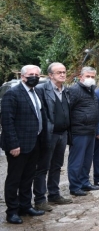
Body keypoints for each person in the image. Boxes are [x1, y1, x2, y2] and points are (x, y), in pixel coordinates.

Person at [1, 65, 47, 224]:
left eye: (37, 74)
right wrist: (13, 145)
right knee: (15, 179)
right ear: (22, 76)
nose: (34, 77)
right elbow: (7, 122)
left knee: (28, 177)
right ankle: (12, 211)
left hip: (34, 143)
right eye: (31, 74)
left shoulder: (36, 92)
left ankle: (25, 206)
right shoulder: (12, 94)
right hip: (18, 146)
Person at [33, 62, 72, 212]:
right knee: (42, 167)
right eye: (58, 72)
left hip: (62, 133)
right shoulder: (42, 90)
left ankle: (54, 194)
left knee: (57, 166)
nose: (62, 74)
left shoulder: (65, 90)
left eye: (64, 71)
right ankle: (40, 199)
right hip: (49, 134)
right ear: (50, 75)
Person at [67, 67, 99, 196]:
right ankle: (75, 186)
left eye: (92, 76)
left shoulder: (92, 90)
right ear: (81, 77)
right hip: (78, 131)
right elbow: (68, 109)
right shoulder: (74, 90)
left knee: (87, 160)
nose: (90, 79)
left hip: (91, 130)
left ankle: (84, 182)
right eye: (88, 76)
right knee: (77, 160)